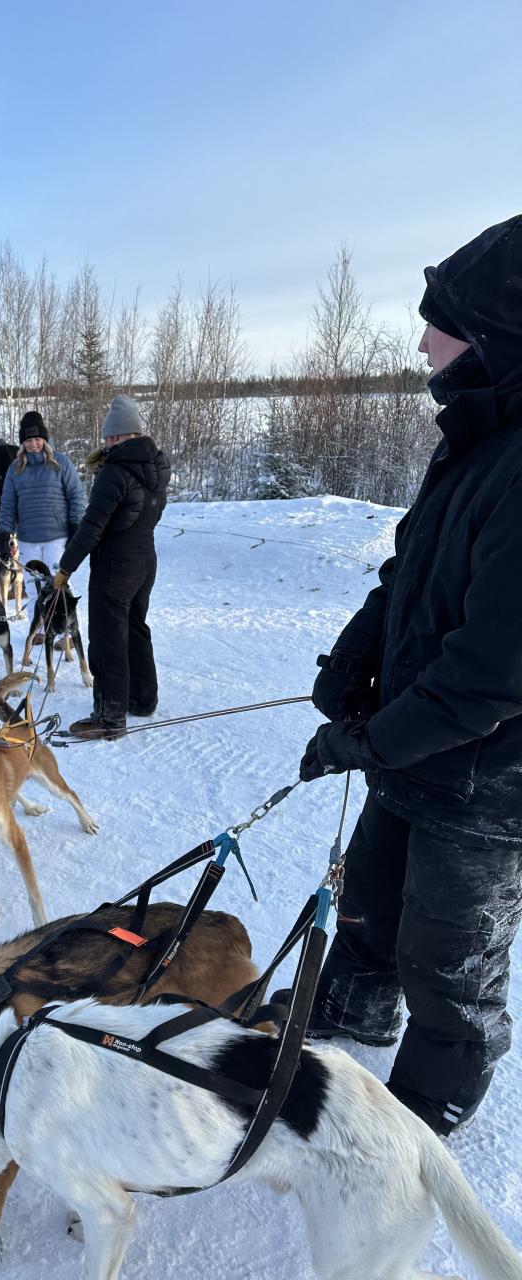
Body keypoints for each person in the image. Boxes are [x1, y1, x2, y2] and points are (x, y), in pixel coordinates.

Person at [294, 214, 522, 1137]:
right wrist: (358, 654)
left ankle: (438, 1086)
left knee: (448, 946)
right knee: (370, 897)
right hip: (417, 742)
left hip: (488, 773)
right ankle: (352, 1011)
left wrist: (368, 740)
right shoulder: (473, 436)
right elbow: (410, 570)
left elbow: (489, 673)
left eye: (440, 322)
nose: (421, 340)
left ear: (497, 338)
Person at [54, 395, 170, 740]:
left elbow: (92, 526)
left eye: (108, 437)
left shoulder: (115, 471)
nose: (104, 443)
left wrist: (65, 568)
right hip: (145, 560)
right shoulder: (158, 466)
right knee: (135, 628)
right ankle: (142, 699)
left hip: (115, 566)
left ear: (120, 436)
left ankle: (109, 717)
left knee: (108, 640)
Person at [0, 411, 85, 593]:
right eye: (28, 440)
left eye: (37, 439)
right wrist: (3, 535)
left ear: (44, 439)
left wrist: (76, 526)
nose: (33, 444)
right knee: (33, 588)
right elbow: (7, 506)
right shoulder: (15, 469)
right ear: (22, 443)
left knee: (59, 586)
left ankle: (66, 621)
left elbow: (76, 496)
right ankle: (37, 623)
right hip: (28, 541)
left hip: (57, 539)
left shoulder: (61, 463)